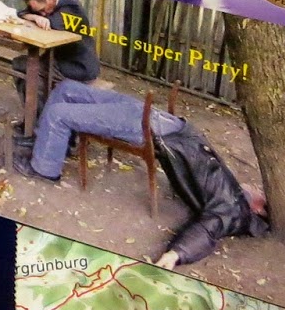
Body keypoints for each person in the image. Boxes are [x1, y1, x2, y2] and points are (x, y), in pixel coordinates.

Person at [13, 79, 182, 181]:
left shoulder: (187, 147)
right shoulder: (186, 131)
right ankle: (47, 143)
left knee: (57, 113)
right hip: (145, 111)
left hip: (146, 127)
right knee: (66, 88)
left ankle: (45, 169)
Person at [151, 122, 268, 268]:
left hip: (171, 137)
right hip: (180, 136)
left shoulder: (234, 209)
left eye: (261, 195)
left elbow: (208, 228)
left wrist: (176, 254)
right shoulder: (235, 196)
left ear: (258, 209)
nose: (257, 189)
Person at [10, 0, 99, 97]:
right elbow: (20, 13)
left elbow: (53, 24)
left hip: (78, 65)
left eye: (43, 10)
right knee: (26, 65)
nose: (43, 14)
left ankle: (39, 107)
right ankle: (35, 106)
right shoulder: (46, 2)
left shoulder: (71, 6)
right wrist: (34, 16)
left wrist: (38, 18)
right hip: (60, 59)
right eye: (38, 12)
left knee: (23, 66)